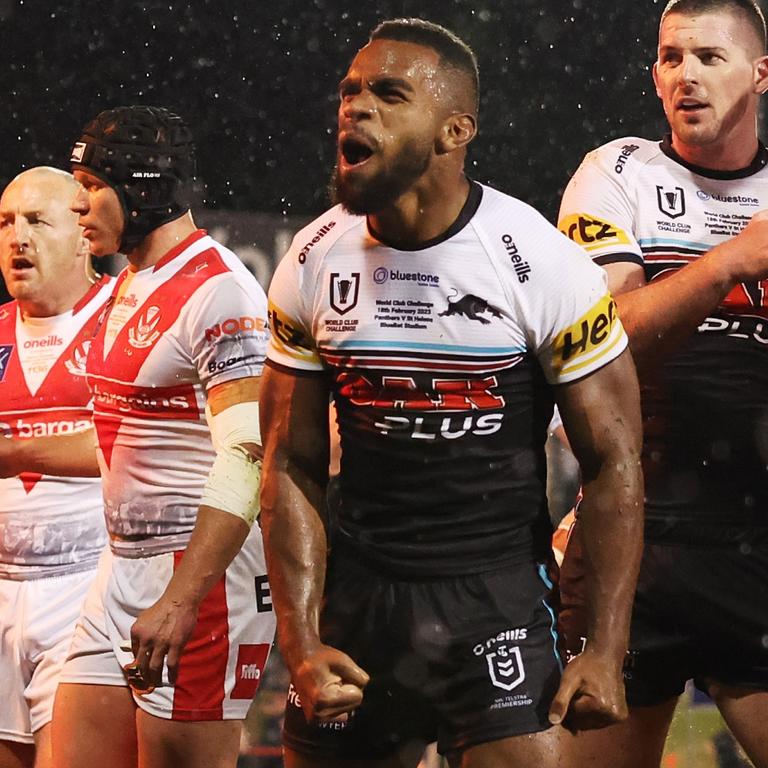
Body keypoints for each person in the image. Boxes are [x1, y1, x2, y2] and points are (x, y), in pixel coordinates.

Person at [260, 18, 644, 768]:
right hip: (360, 601)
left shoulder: (538, 260)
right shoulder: (310, 259)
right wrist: (300, 639)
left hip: (496, 598)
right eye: (350, 91)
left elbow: (616, 463)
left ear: (454, 129)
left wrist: (605, 648)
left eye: (388, 94)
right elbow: (288, 464)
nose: (355, 108)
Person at [7, 107, 276, 768]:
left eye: (92, 184)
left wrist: (181, 599)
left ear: (146, 188)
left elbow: (247, 454)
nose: (77, 204)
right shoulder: (130, 282)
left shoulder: (221, 291)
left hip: (200, 577)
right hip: (120, 568)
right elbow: (117, 445)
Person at [557, 1, 768, 766]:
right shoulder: (617, 173)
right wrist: (727, 264)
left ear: (761, 74)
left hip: (756, 538)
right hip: (632, 540)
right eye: (672, 57)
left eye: (711, 57)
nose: (688, 75)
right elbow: (603, 345)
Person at [0, 167, 112, 768]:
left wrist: (14, 452)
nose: (18, 237)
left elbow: (141, 445)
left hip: (87, 589)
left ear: (82, 235)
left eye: (37, 221)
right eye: (6, 222)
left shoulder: (129, 322)